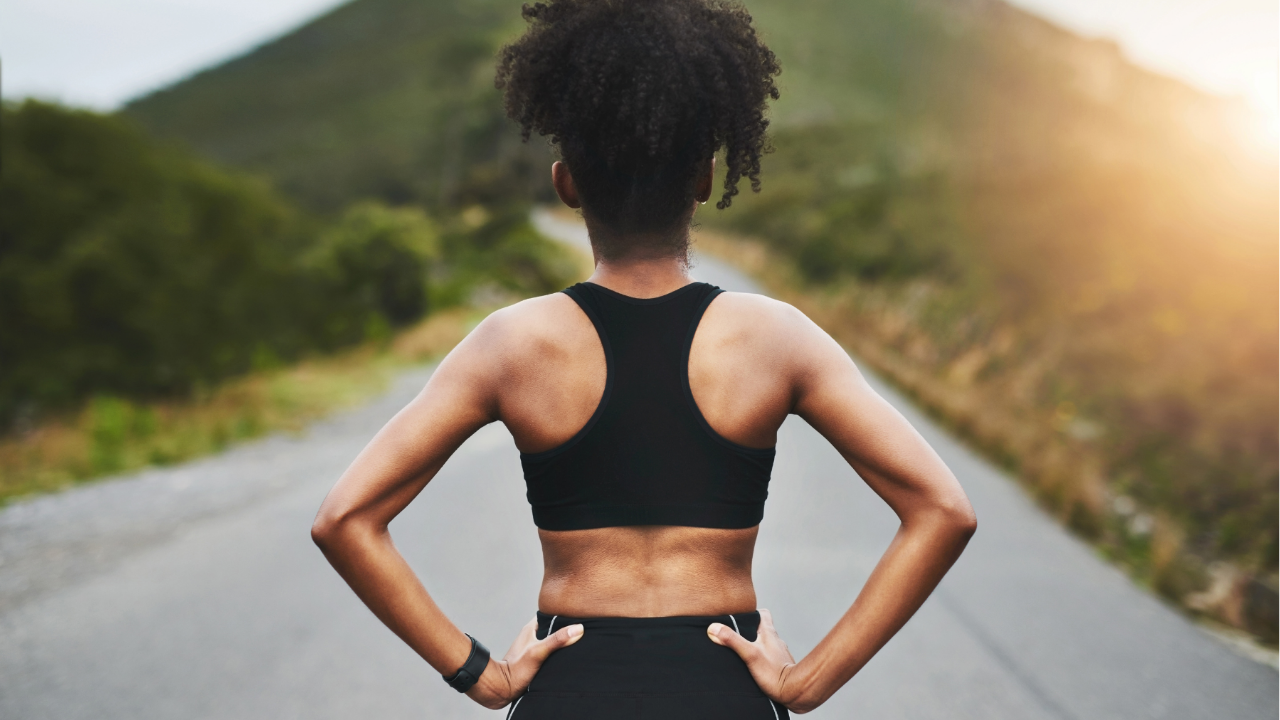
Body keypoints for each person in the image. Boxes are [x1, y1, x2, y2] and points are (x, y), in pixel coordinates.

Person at [311, 0, 976, 717]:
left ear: (566, 184)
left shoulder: (511, 344)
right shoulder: (776, 338)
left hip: (573, 690)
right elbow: (942, 509)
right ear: (703, 178)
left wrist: (480, 673)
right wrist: (805, 684)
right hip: (723, 691)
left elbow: (344, 519)